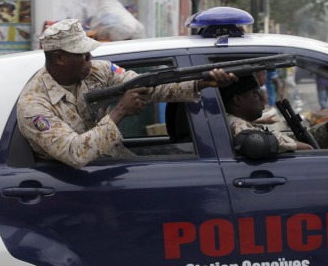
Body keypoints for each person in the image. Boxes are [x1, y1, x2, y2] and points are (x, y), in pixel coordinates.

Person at [17, 19, 237, 168]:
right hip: (73, 187)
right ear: (59, 58)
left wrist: (200, 82)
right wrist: (120, 111)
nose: (89, 58)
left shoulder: (96, 71)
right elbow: (74, 153)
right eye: (82, 54)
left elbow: (148, 86)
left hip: (115, 164)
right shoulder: (34, 105)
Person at [219, 74, 328, 154]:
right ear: (237, 100)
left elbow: (289, 139)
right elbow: (302, 147)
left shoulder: (240, 123)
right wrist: (307, 149)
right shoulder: (239, 127)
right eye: (256, 94)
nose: (263, 98)